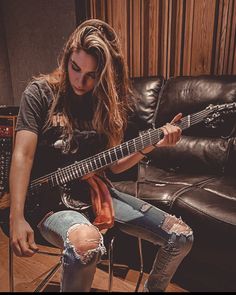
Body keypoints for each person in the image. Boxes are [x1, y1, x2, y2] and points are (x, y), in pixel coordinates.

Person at [9, 18, 193, 292]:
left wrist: (152, 144)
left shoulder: (107, 104)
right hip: (48, 202)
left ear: (104, 73)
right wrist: (16, 215)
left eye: (91, 75)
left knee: (181, 237)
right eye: (75, 68)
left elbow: (115, 166)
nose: (80, 81)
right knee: (86, 245)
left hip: (96, 194)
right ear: (67, 56)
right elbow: (23, 155)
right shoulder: (40, 93)